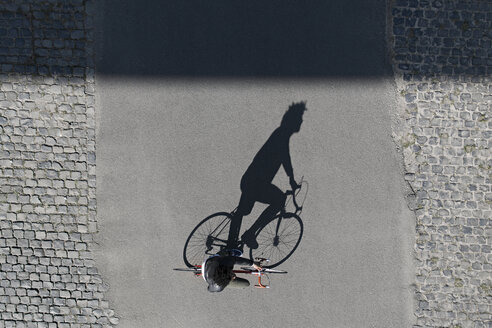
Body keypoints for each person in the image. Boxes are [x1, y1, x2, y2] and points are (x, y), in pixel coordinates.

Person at [236, 101, 306, 248]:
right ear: (292, 120)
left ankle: (231, 245)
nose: (301, 121)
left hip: (251, 181)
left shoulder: (281, 134)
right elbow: (285, 157)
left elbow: (284, 157)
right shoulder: (281, 134)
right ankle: (249, 234)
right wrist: (291, 178)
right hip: (255, 183)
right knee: (279, 200)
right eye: (299, 118)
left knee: (242, 212)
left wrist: (291, 178)